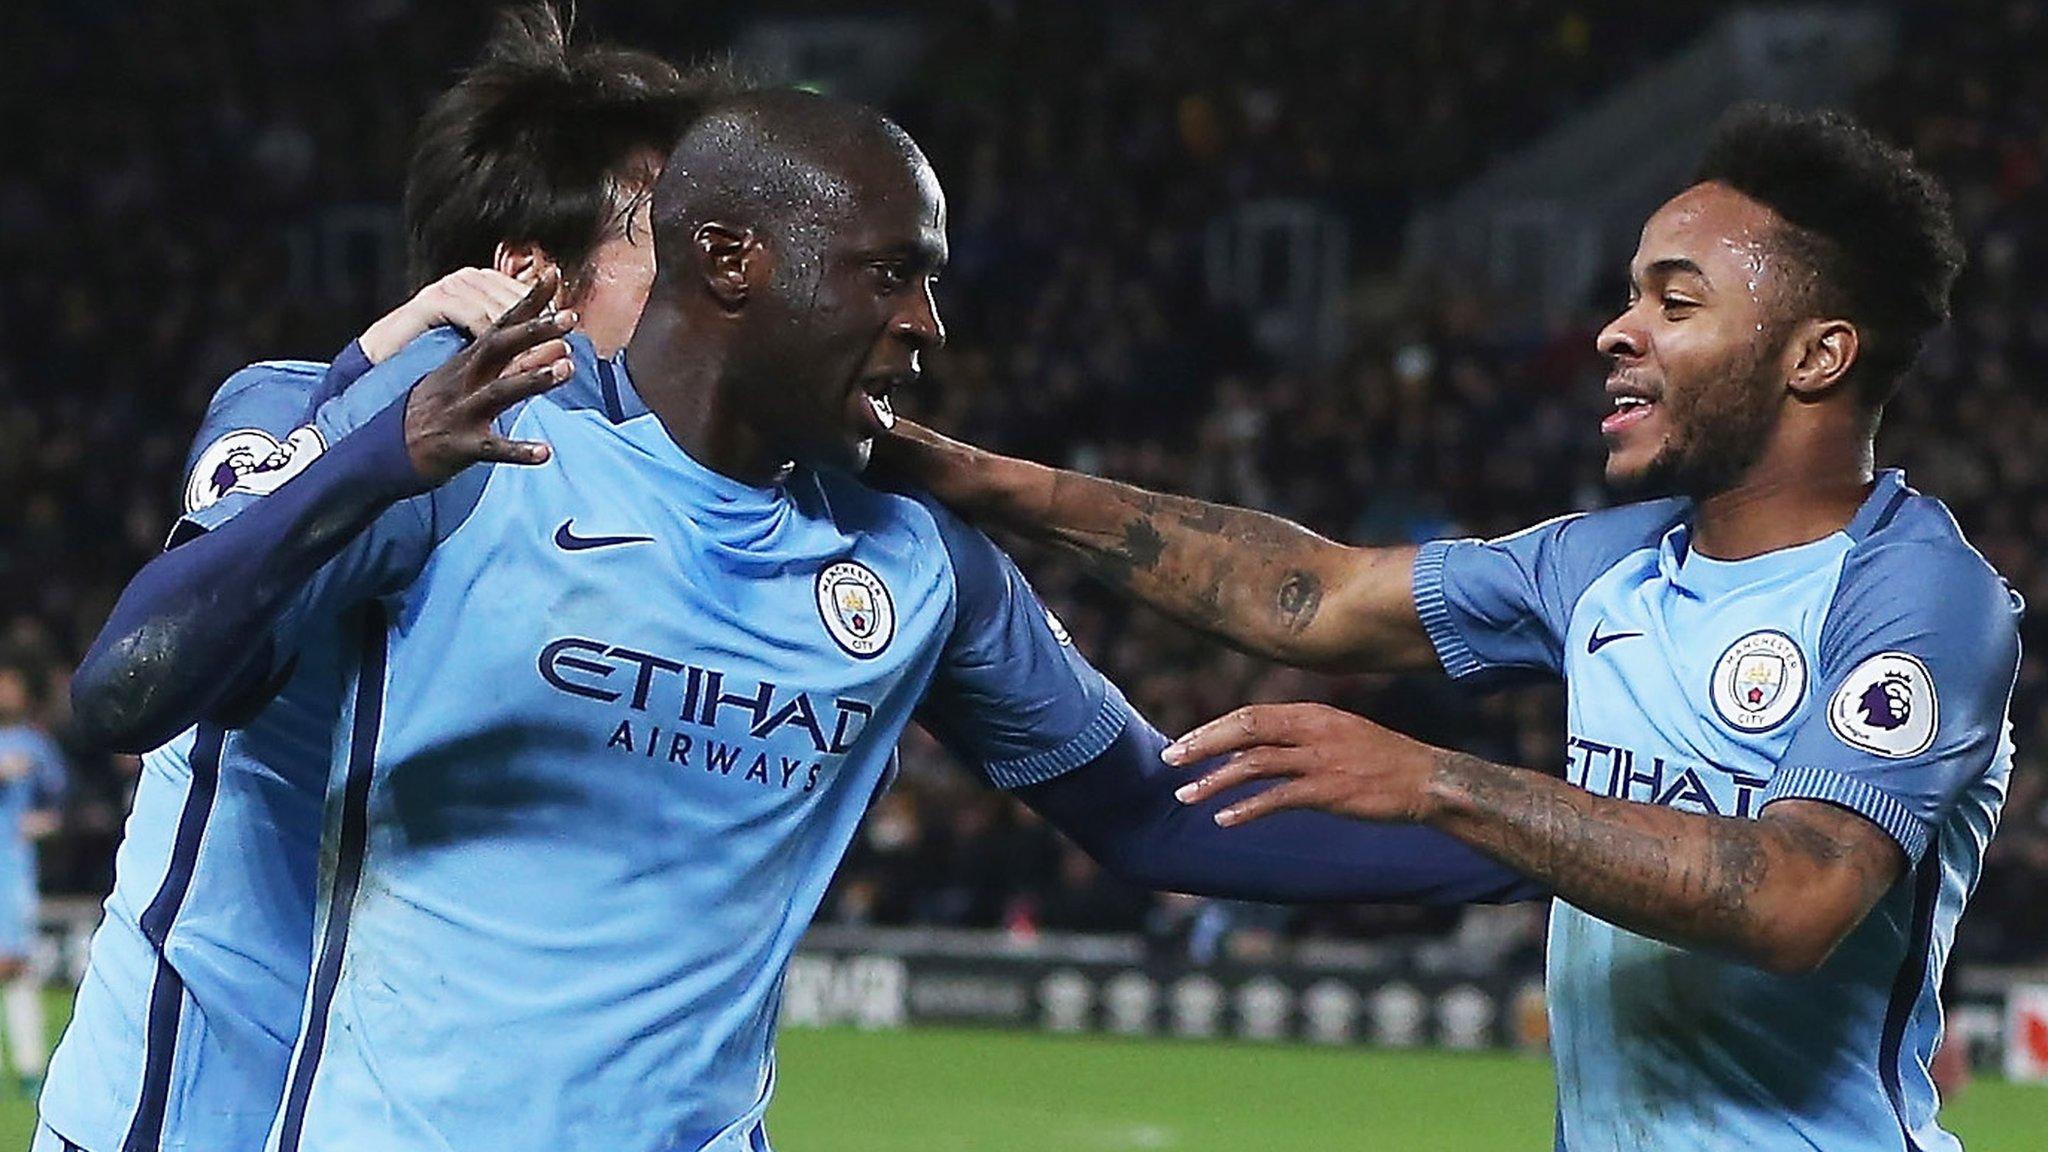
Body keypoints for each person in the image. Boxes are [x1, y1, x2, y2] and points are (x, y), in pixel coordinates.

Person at [67, 90, 1541, 1150]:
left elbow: (1156, 817)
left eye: (932, 280)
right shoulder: (473, 444)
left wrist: (1557, 845)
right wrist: (371, 459)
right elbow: (128, 692)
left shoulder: (917, 560)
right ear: (729, 264)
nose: (928, 325)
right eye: (892, 272)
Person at [881, 104, 2006, 1152]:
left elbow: (1792, 897)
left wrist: (1438, 783)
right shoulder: (1611, 562)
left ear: (1816, 355)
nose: (1616, 331)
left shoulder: (1914, 597)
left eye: (1674, 302)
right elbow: (1310, 594)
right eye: (1628, 295)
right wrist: (973, 477)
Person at [38, 9, 730, 1151]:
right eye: (670, 244)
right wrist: (376, 376)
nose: (708, 287)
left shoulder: (654, 509)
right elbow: (133, 678)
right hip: (194, 1097)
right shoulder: (284, 408)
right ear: (525, 279)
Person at [0, 665, 67, 1097]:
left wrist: (42, 823)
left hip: (10, 868)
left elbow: (58, 803)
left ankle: (29, 1067)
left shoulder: (34, 746)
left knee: (14, 965)